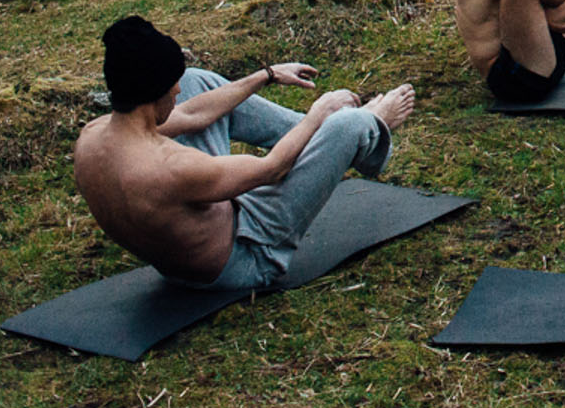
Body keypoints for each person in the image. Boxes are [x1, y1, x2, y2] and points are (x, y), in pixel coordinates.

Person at [71, 15, 416, 291]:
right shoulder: (169, 167)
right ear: (153, 91)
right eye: (170, 85)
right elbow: (273, 169)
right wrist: (320, 114)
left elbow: (192, 114)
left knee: (197, 83)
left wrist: (266, 75)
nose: (177, 89)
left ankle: (327, 141)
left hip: (187, 245)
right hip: (248, 254)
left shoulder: (93, 135)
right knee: (348, 123)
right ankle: (370, 125)